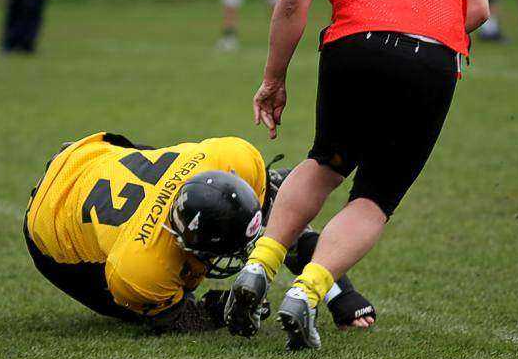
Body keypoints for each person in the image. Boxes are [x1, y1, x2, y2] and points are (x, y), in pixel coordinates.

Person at [224, 0, 489, 349]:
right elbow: (479, 6)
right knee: (376, 194)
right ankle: (307, 291)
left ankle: (259, 266)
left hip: (356, 40)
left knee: (326, 162)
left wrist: (273, 78)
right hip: (433, 48)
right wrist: (427, 35)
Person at [24, 131, 376, 333]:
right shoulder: (141, 265)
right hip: (49, 218)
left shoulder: (234, 160)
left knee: (276, 205)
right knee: (143, 311)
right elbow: (179, 319)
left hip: (91, 153)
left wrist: (340, 293)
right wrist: (218, 312)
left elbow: (286, 223)